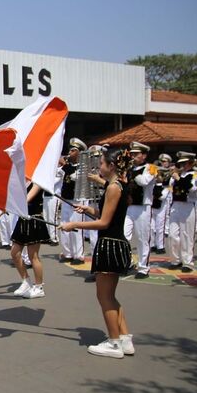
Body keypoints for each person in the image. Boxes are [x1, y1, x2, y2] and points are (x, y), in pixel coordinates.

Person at [60, 149, 135, 359]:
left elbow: (104, 223)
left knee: (104, 297)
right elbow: (105, 214)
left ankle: (114, 343)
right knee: (110, 296)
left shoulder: (112, 187)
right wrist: (87, 210)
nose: (99, 167)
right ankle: (125, 337)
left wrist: (74, 223)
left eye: (101, 163)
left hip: (109, 245)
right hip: (116, 243)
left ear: (111, 166)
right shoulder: (117, 186)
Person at [10, 183, 51, 298]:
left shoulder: (37, 182)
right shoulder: (21, 181)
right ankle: (26, 281)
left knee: (33, 256)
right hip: (23, 220)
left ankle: (39, 287)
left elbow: (26, 199)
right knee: (15, 253)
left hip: (33, 219)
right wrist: (0, 212)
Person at [125, 142, 157, 278]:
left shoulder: (152, 168)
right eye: (131, 154)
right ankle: (129, 262)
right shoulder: (129, 168)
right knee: (123, 235)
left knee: (143, 238)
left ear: (144, 155)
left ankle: (144, 268)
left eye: (136, 154)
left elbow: (144, 181)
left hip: (143, 207)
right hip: (129, 206)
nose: (132, 156)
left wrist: (131, 171)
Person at [167, 152, 197, 272]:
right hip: (176, 205)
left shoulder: (195, 175)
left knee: (187, 235)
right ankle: (175, 259)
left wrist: (179, 178)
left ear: (191, 163)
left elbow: (192, 189)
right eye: (180, 163)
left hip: (188, 205)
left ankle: (187, 262)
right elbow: (166, 184)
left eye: (184, 163)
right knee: (172, 234)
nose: (182, 165)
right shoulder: (176, 175)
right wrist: (173, 174)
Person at [58, 138, 86, 265]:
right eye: (70, 150)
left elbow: (77, 178)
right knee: (64, 226)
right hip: (66, 199)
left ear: (80, 153)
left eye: (73, 150)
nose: (70, 152)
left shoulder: (84, 166)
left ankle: (78, 255)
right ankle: (67, 252)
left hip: (78, 200)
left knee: (76, 228)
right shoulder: (67, 166)